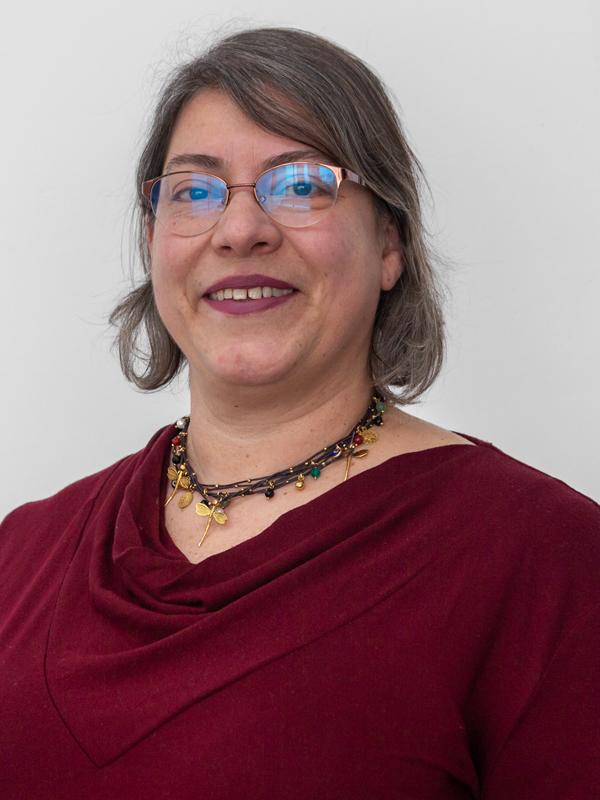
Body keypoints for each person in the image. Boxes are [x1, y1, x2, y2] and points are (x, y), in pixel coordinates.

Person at [1, 26, 598, 800]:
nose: (239, 230)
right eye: (194, 191)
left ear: (390, 242)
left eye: (302, 184)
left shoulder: (545, 557)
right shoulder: (22, 553)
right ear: (153, 242)